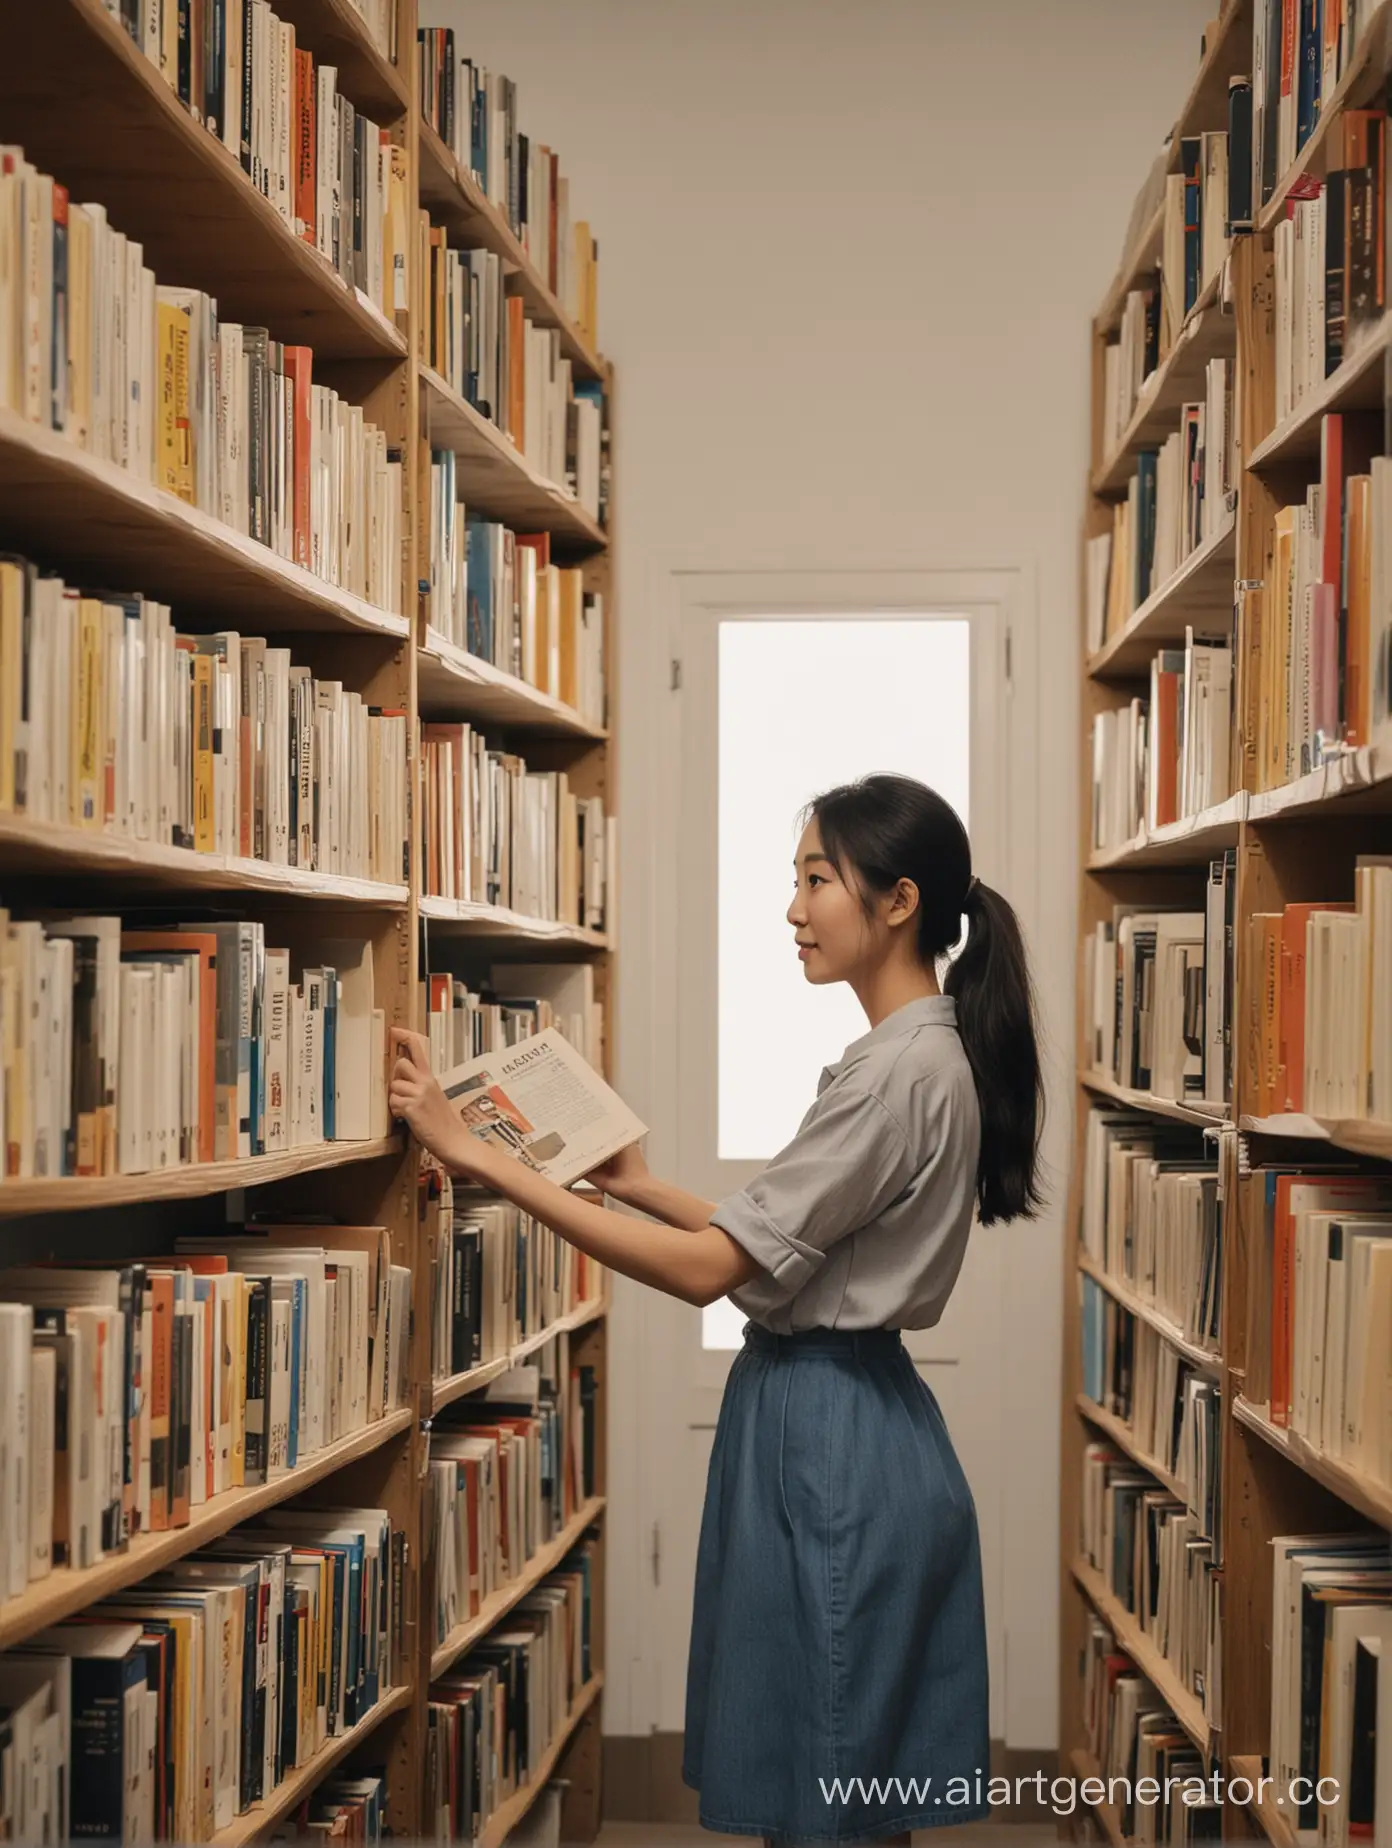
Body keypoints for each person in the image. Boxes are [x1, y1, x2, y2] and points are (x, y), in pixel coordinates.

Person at [389, 771, 1045, 1848]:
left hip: (830, 1436)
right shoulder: (923, 1055)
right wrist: (636, 1182)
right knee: (842, 1775)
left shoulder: (893, 1075)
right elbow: (787, 1249)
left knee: (828, 1781)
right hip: (861, 1419)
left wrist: (482, 1161)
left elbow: (707, 1271)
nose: (794, 909)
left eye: (817, 879)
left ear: (898, 902)